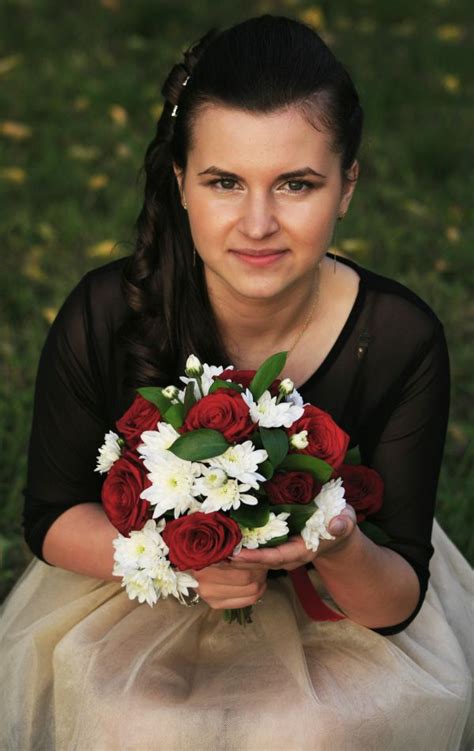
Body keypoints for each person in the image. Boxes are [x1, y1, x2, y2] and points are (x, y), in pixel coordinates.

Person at [0, 14, 472, 751]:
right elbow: (53, 514)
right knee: (140, 718)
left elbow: (394, 599)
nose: (258, 223)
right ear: (181, 180)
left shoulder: (399, 340)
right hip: (140, 584)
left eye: (296, 184)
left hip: (340, 600)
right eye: (225, 181)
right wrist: (180, 563)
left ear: (347, 186)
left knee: (309, 727)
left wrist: (337, 541)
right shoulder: (107, 313)